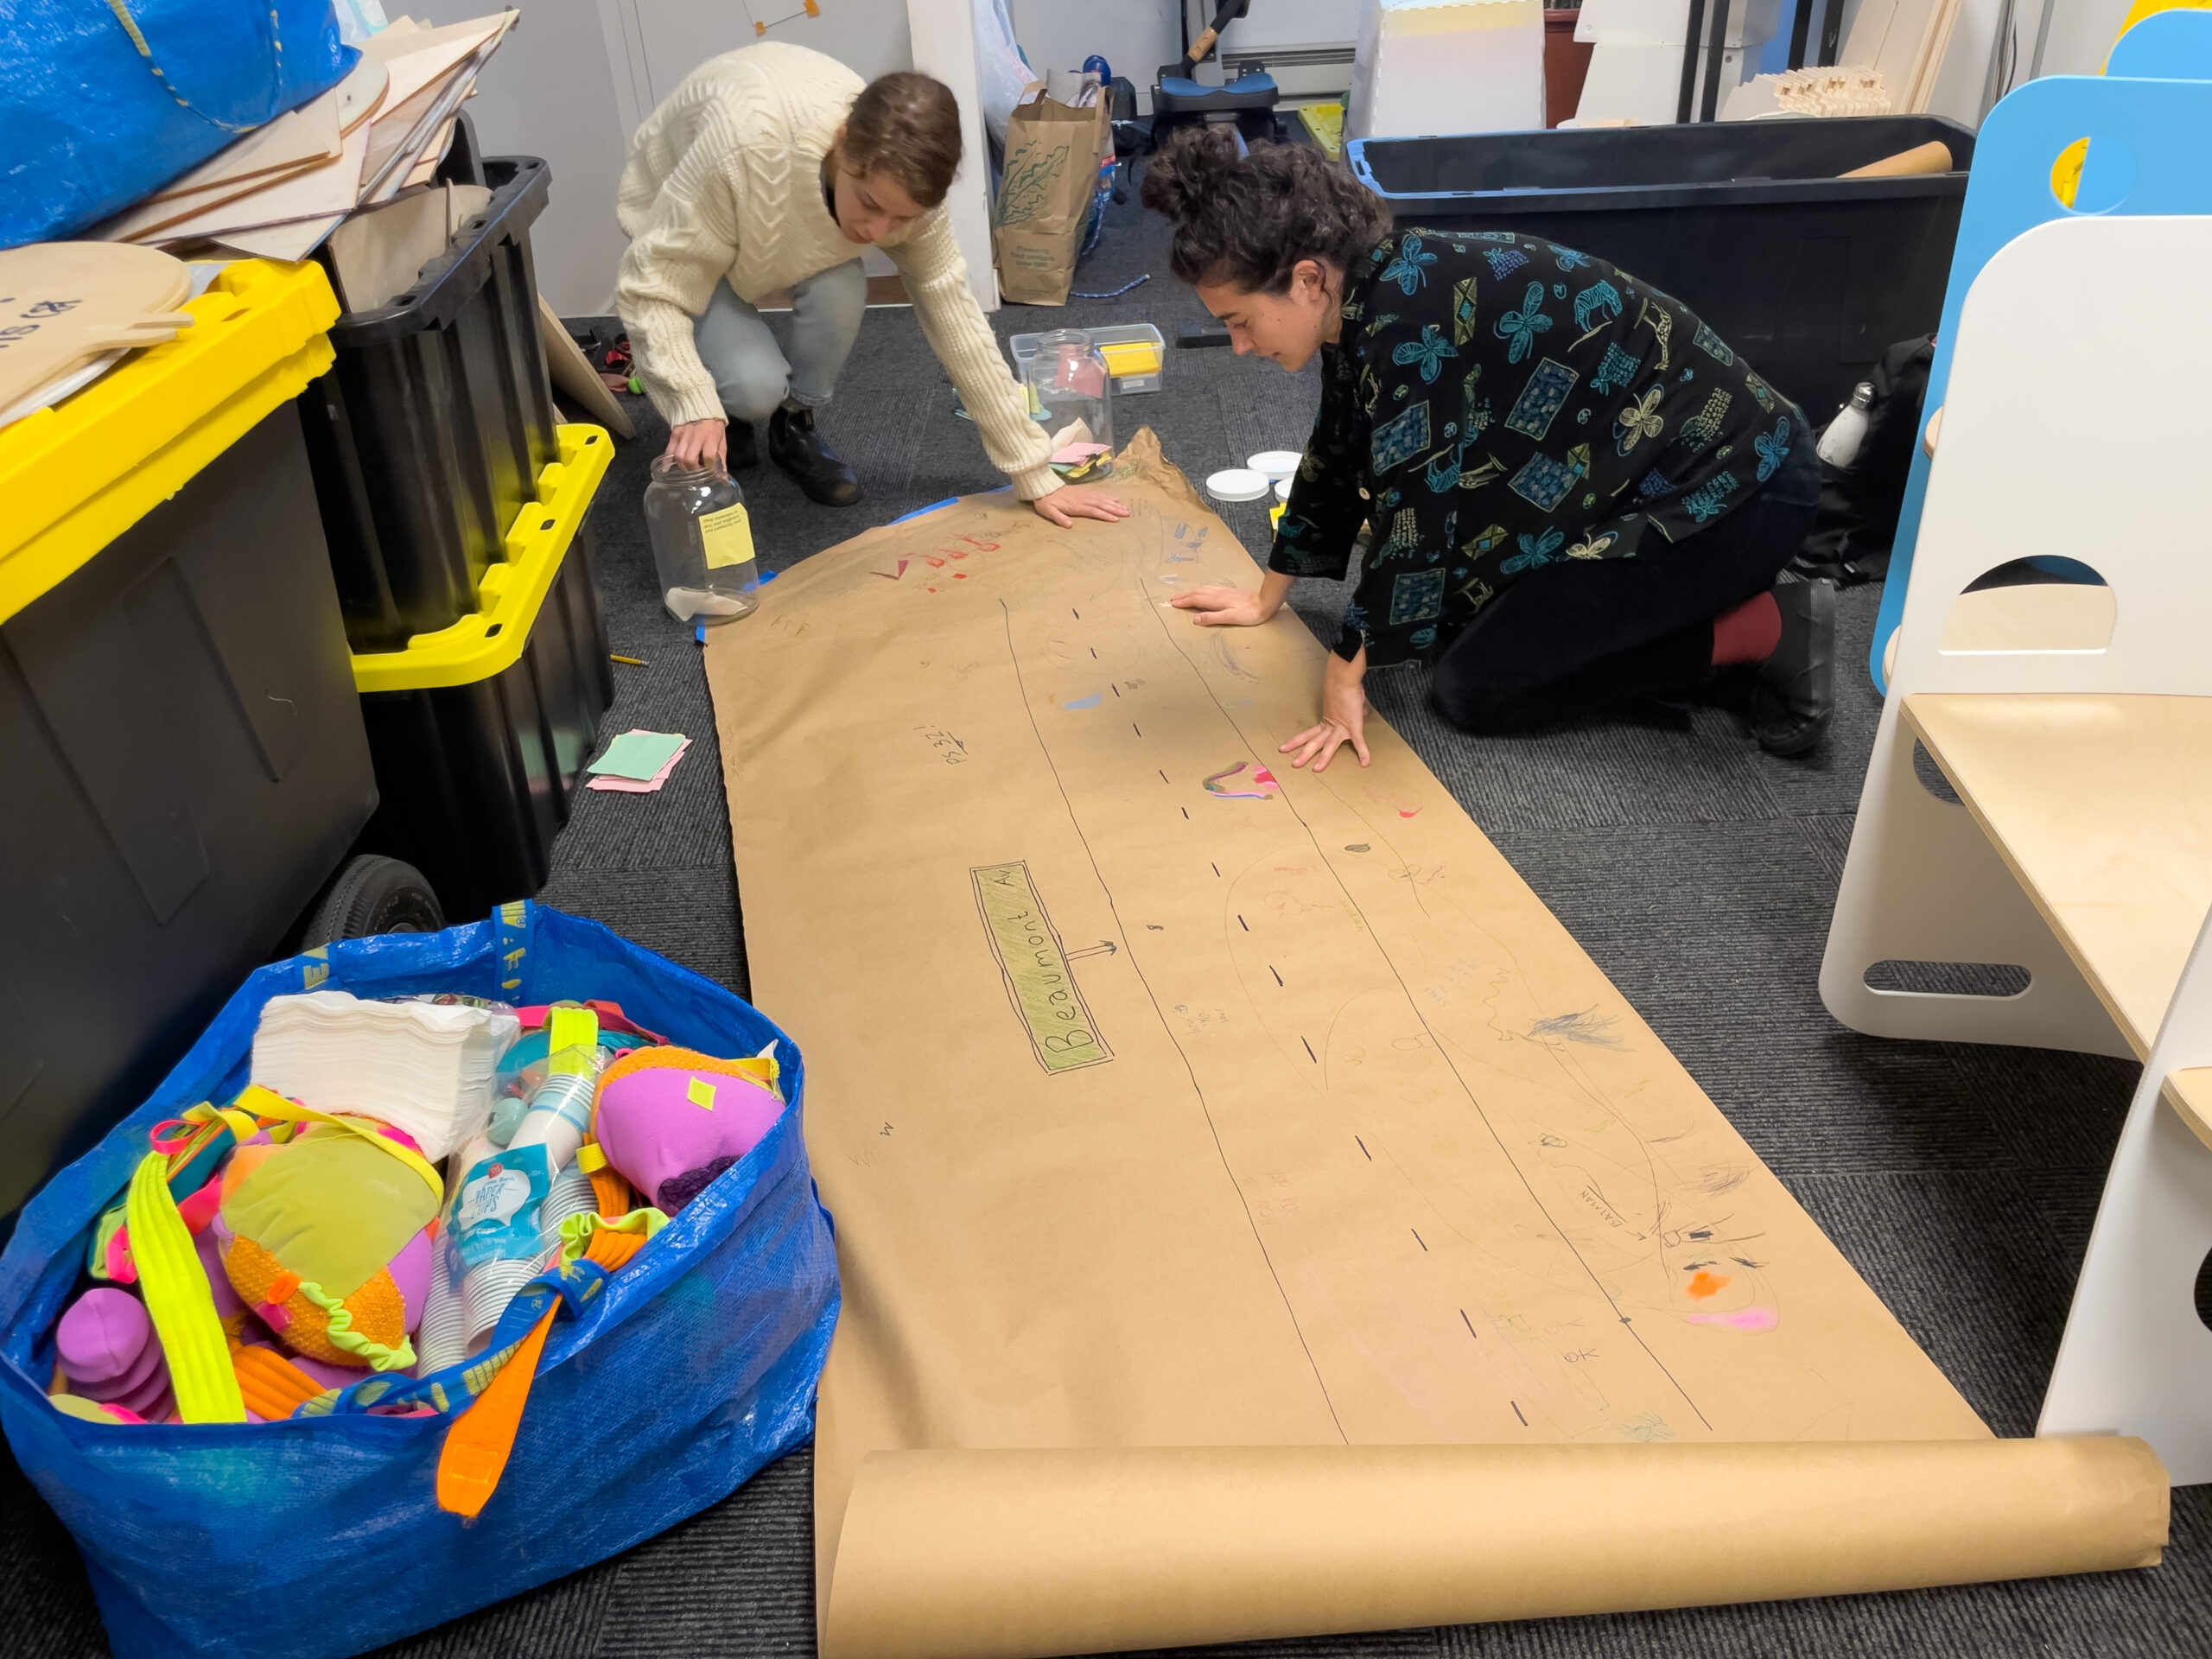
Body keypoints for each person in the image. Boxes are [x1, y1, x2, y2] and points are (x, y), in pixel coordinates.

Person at [1141, 130, 1831, 772]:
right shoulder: (1371, 290)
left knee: (1479, 689)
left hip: (1742, 488)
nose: (1238, 346)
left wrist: (1344, 668)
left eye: (1239, 321)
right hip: (1640, 468)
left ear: (1307, 279)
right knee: (1450, 611)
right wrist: (1270, 596)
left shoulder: (1406, 317)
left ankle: (1769, 627)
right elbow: (1339, 447)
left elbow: (1417, 508)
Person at [615, 43, 1127, 527]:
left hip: (795, 209)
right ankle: (731, 410)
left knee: (843, 294)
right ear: (843, 146)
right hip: (683, 203)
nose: (878, 233)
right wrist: (692, 400)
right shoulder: (743, 148)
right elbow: (650, 288)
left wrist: (1033, 473)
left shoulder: (902, 189)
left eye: (900, 218)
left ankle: (791, 426)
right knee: (754, 387)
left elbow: (959, 326)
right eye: (871, 205)